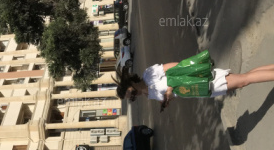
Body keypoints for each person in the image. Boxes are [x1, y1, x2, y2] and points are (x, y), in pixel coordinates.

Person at [114, 54, 274, 110]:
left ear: (131, 84)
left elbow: (177, 67)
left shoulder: (149, 74)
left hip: (199, 79)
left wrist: (169, 89)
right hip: (197, 89)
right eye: (132, 98)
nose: (135, 96)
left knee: (243, 81)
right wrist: (167, 99)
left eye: (132, 93)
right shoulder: (149, 95)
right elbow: (174, 94)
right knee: (244, 79)